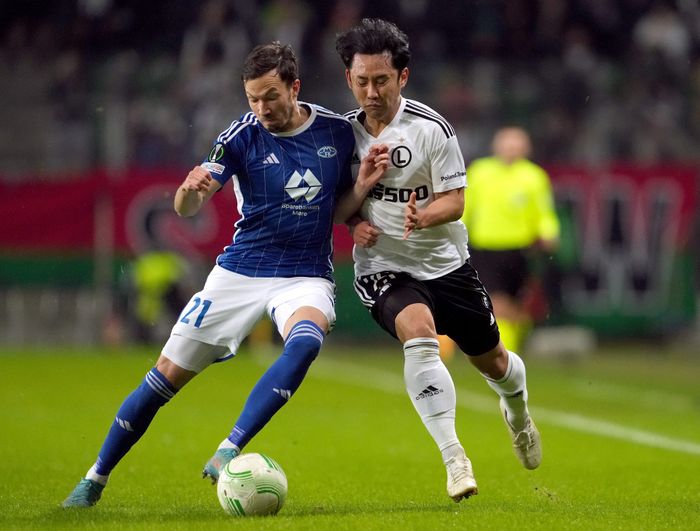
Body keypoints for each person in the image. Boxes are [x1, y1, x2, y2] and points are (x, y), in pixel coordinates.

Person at [63, 41, 389, 508]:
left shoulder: (337, 132)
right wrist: (188, 191)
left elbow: (335, 209)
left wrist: (358, 200)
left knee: (305, 342)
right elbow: (189, 205)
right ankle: (94, 478)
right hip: (240, 272)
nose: (262, 108)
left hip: (304, 273)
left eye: (271, 96)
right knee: (164, 377)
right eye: (253, 98)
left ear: (294, 87)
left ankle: (230, 446)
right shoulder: (241, 135)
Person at [335, 19, 542, 503]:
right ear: (349, 78)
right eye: (362, 81)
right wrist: (354, 220)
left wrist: (423, 215)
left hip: (445, 264)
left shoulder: (431, 129)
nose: (371, 92)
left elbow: (456, 201)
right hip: (383, 266)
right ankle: (454, 458)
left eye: (382, 80)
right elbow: (337, 207)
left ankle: (517, 411)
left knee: (494, 361)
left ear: (403, 77)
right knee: (420, 333)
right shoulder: (341, 135)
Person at [461, 127, 560, 353]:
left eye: (516, 145)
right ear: (496, 146)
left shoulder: (534, 176)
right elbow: (466, 206)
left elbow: (543, 211)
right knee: (496, 302)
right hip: (486, 247)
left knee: (517, 307)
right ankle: (503, 354)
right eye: (507, 144)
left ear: (526, 148)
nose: (511, 149)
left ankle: (510, 350)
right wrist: (456, 231)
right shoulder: (480, 172)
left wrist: (548, 233)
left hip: (520, 249)